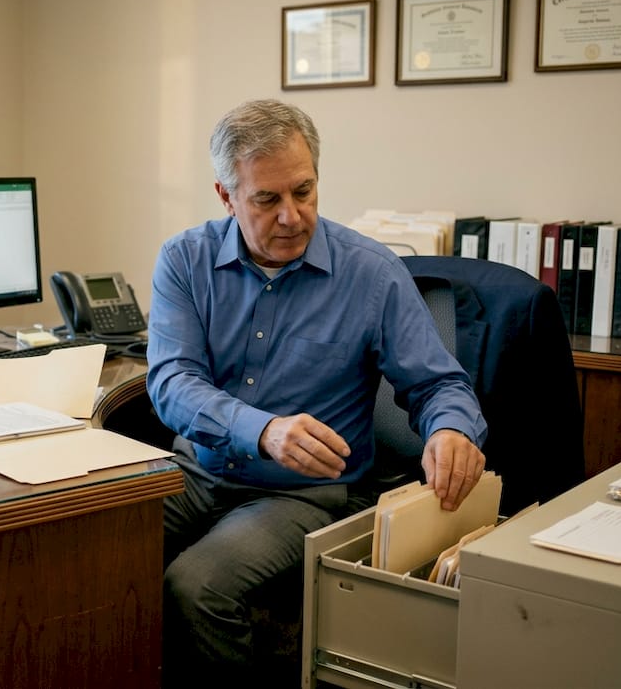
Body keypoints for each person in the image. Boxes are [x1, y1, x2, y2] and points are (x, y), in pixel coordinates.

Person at [146, 99, 488, 685]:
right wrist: (263, 430)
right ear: (226, 197)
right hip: (196, 471)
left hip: (302, 495)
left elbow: (438, 383)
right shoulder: (185, 259)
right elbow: (172, 382)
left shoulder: (371, 272)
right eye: (267, 199)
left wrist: (452, 428)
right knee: (87, 547)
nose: (291, 216)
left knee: (195, 587)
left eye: (304, 192)